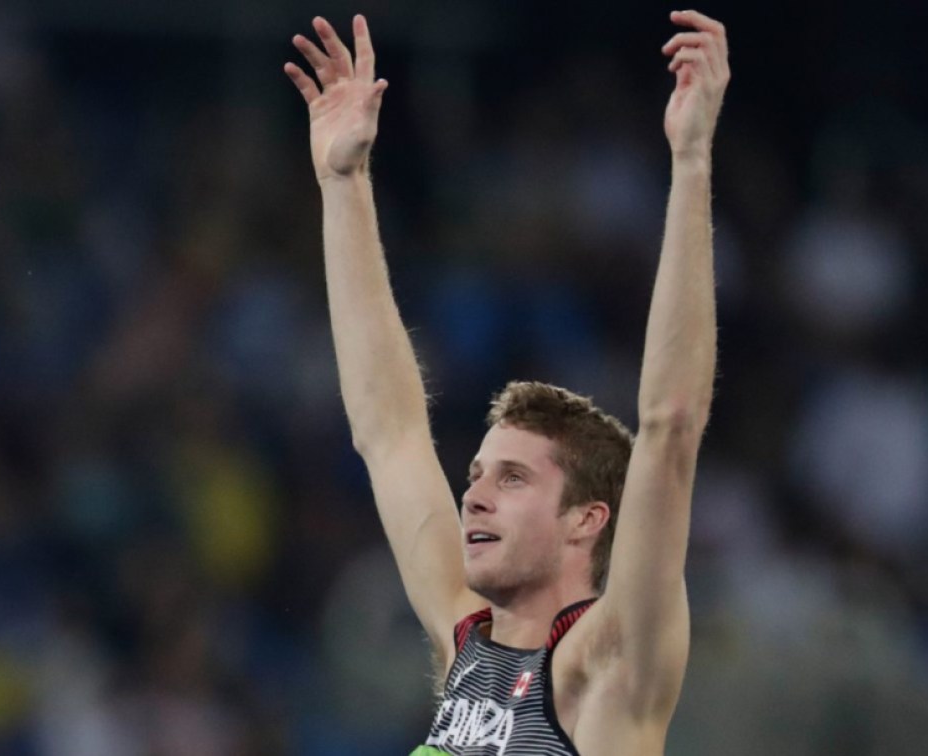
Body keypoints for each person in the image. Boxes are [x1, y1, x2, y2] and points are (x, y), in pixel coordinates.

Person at [284, 9, 728, 754]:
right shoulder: (466, 640)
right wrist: (344, 182)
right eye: (478, 473)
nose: (475, 493)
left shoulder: (607, 668)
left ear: (587, 519)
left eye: (513, 478)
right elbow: (387, 431)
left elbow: (672, 424)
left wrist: (690, 162)